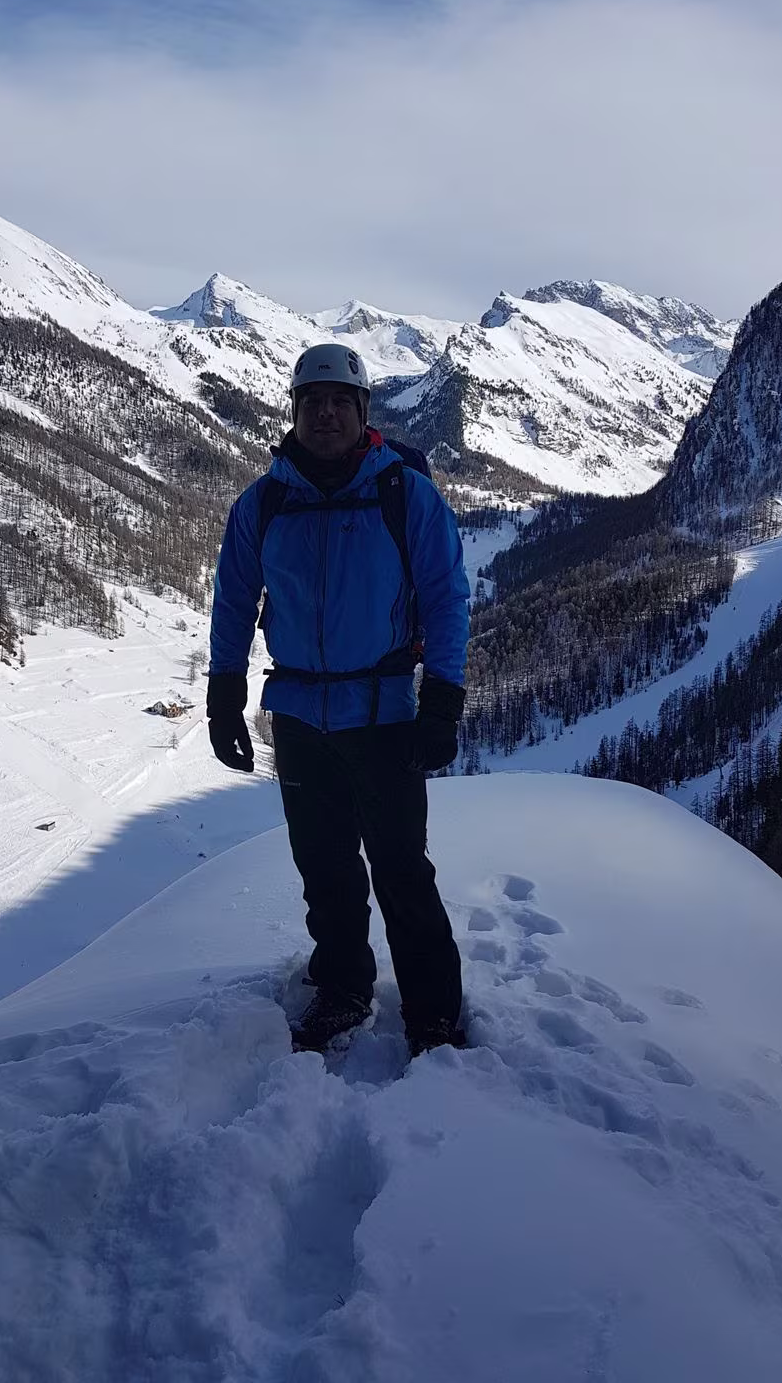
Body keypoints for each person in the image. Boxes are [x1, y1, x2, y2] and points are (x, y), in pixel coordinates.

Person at [207, 341, 470, 1057]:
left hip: (384, 715)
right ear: (294, 412)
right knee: (324, 870)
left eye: (339, 403)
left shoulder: (404, 494)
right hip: (298, 717)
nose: (325, 414)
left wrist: (442, 699)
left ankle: (433, 1011)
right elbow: (234, 601)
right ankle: (344, 986)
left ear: (363, 412)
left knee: (402, 871)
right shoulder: (264, 503)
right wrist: (224, 694)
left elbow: (446, 598)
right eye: (312, 402)